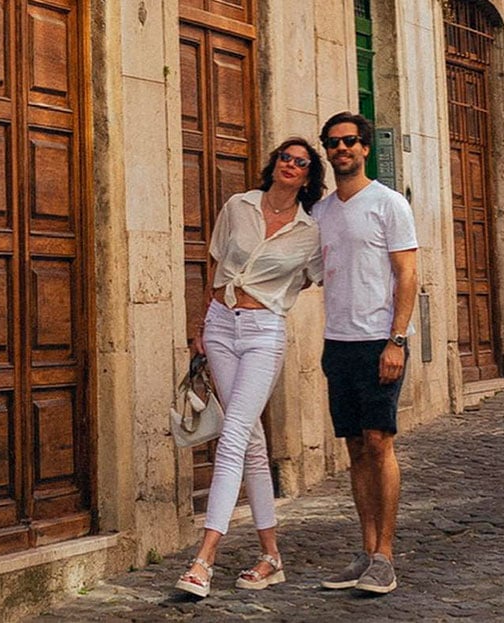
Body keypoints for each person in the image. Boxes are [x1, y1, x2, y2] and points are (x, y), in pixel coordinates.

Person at [174, 137, 326, 598]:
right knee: (253, 443)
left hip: (264, 332)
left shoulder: (310, 232)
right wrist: (201, 324)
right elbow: (215, 261)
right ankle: (270, 556)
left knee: (235, 432)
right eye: (285, 157)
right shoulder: (238, 206)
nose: (290, 165)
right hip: (221, 325)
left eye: (300, 163)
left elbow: (321, 277)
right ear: (275, 163)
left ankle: (205, 559)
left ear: (307, 178)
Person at [312, 111, 418, 595]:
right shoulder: (322, 212)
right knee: (355, 447)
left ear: (365, 148)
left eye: (350, 141)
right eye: (333, 143)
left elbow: (407, 275)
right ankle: (367, 549)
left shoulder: (389, 204)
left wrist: (396, 340)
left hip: (380, 341)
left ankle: (387, 556)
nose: (342, 150)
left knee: (380, 442)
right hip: (338, 342)